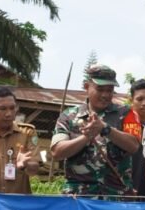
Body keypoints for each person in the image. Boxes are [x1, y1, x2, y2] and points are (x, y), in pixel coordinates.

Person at [51, 64, 139, 199]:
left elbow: (134, 145)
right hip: (78, 197)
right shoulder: (68, 116)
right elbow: (57, 152)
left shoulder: (127, 113)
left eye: (110, 90)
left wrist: (106, 129)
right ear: (87, 87)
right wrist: (86, 137)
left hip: (116, 197)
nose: (105, 95)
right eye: (100, 89)